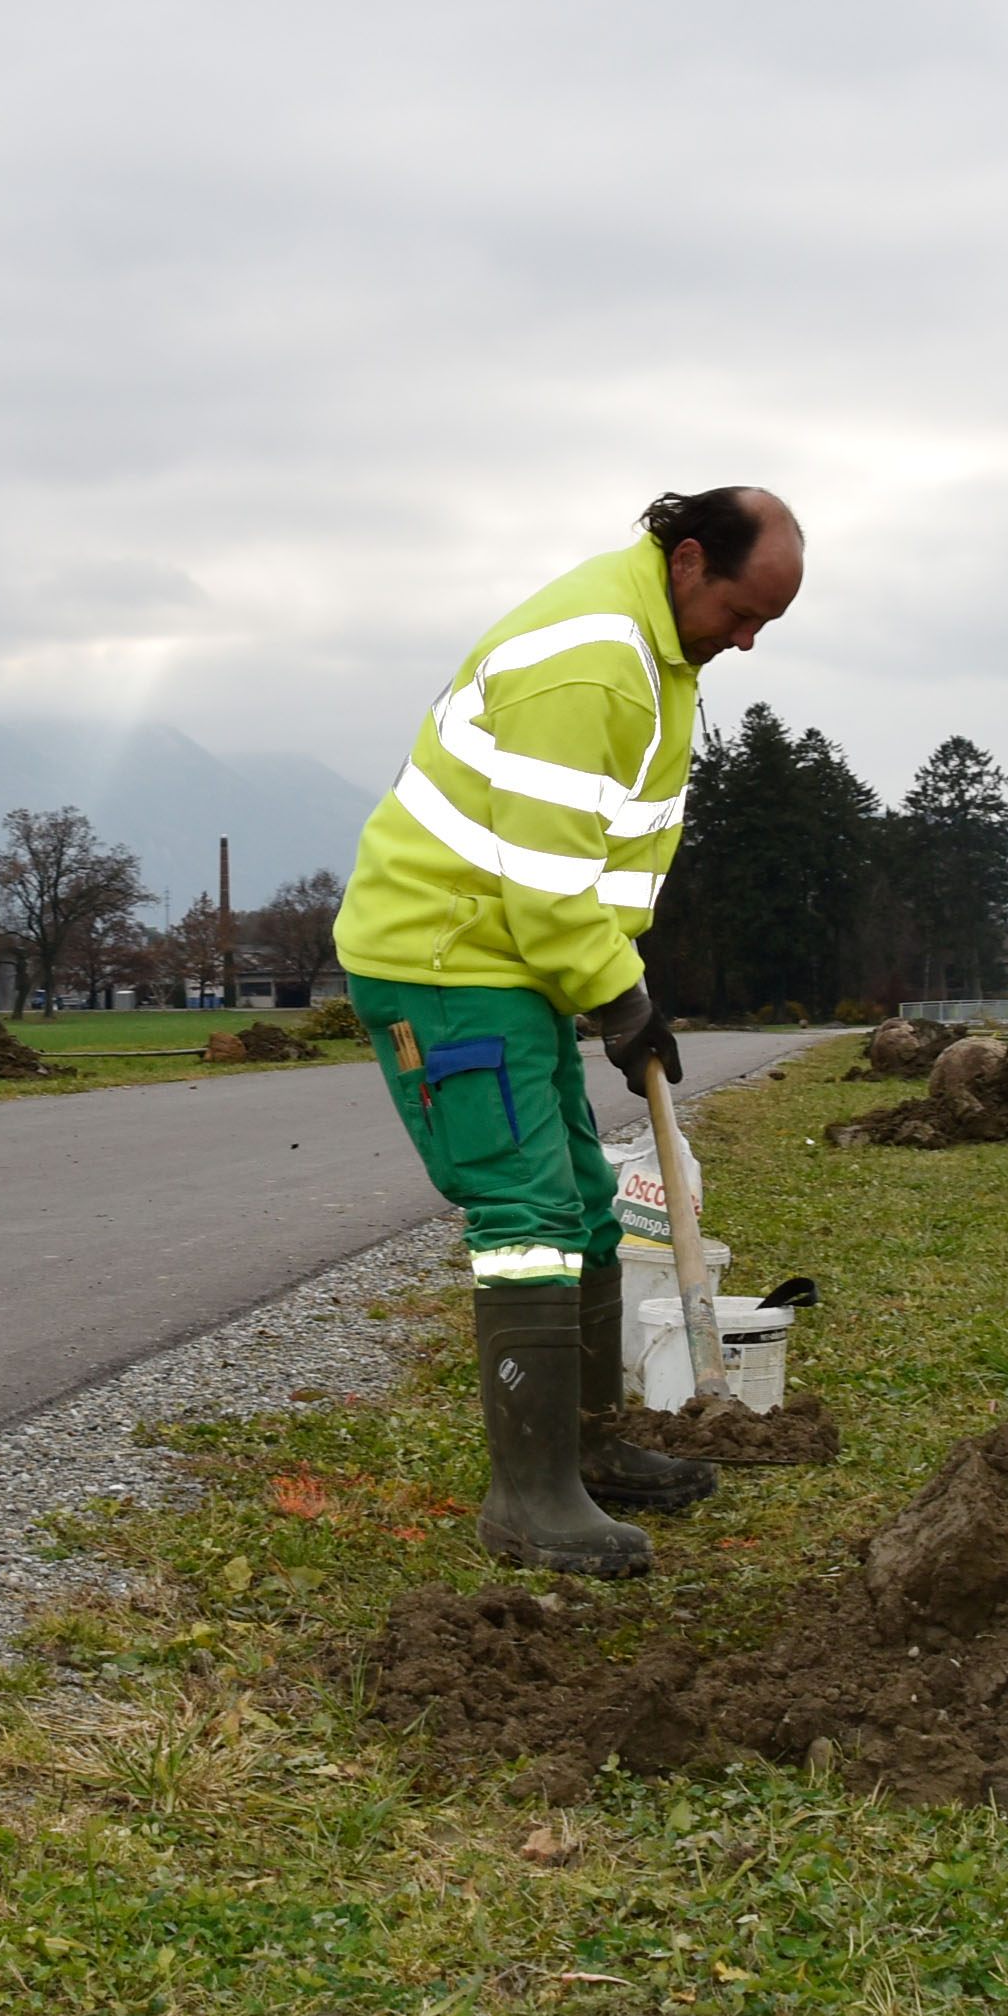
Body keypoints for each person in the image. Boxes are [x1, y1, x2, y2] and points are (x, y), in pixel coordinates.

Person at [331, 487, 805, 1576]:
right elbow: (544, 880)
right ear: (688, 560)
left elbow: (587, 865)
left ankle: (584, 1453)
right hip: (445, 960)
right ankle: (529, 1496)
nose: (744, 641)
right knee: (528, 1211)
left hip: (514, 963)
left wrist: (614, 981)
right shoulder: (594, 657)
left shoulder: (655, 647)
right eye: (741, 614)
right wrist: (617, 993)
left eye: (763, 628)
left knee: (585, 1201)